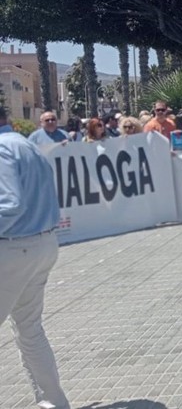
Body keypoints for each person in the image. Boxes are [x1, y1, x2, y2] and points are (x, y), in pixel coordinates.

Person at [0, 107, 72, 409]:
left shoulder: (3, 149)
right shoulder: (28, 144)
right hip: (42, 242)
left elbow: (8, 204)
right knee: (30, 329)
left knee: (29, 330)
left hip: (13, 248)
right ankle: (53, 402)